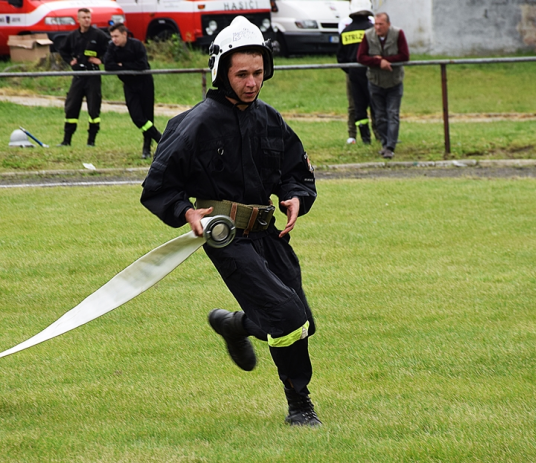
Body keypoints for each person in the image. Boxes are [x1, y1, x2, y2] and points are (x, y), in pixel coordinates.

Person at [140, 16, 321, 427]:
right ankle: (300, 406)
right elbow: (157, 187)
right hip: (225, 236)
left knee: (301, 321)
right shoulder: (193, 125)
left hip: (267, 232)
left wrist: (296, 197)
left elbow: (296, 171)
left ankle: (235, 325)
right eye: (242, 74)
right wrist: (186, 212)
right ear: (222, 72)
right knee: (287, 317)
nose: (252, 82)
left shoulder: (270, 119)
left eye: (258, 73)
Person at [104, 24, 162, 159]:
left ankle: (146, 148)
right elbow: (107, 65)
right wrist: (126, 67)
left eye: (116, 36)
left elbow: (142, 65)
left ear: (124, 34)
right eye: (112, 36)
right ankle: (161, 139)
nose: (114, 39)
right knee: (137, 117)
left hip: (144, 83)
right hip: (129, 85)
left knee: (148, 116)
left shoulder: (137, 45)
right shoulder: (112, 47)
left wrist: (121, 66)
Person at [357, 12, 409, 159]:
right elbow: (361, 57)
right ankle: (385, 143)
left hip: (394, 81)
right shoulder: (368, 35)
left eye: (381, 24)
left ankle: (391, 146)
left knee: (393, 114)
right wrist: (378, 62)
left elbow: (405, 55)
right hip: (375, 81)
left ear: (388, 24)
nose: (378, 27)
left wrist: (386, 60)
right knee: (379, 115)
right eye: (376, 24)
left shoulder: (398, 34)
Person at [57, 8, 108, 147]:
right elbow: (62, 49)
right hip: (79, 76)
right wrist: (70, 61)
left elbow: (110, 49)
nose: (87, 20)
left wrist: (101, 60)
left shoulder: (98, 35)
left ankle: (91, 141)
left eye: (88, 17)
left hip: (93, 76)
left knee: (94, 108)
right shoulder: (73, 36)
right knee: (72, 106)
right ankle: (66, 140)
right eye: (84, 17)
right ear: (78, 20)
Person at [337, 1, 375, 145]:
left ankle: (360, 137)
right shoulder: (372, 30)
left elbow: (340, 57)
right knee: (375, 103)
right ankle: (379, 135)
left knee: (355, 106)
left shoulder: (346, 31)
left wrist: (351, 70)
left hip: (352, 75)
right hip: (371, 72)